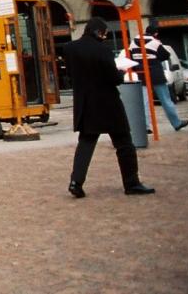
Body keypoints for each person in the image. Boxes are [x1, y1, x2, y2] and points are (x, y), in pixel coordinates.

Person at [64, 17, 154, 198]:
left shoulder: (69, 48)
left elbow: (70, 74)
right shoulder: (103, 50)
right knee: (124, 143)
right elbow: (114, 78)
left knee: (86, 144)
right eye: (104, 34)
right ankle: (131, 183)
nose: (104, 37)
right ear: (99, 32)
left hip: (85, 103)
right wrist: (121, 72)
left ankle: (76, 182)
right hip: (108, 103)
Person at [128, 24, 188, 132]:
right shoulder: (155, 42)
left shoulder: (133, 42)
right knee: (165, 99)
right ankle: (176, 123)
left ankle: (146, 127)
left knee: (144, 101)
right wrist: (155, 59)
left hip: (142, 74)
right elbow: (166, 55)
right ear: (155, 33)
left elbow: (130, 57)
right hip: (156, 74)